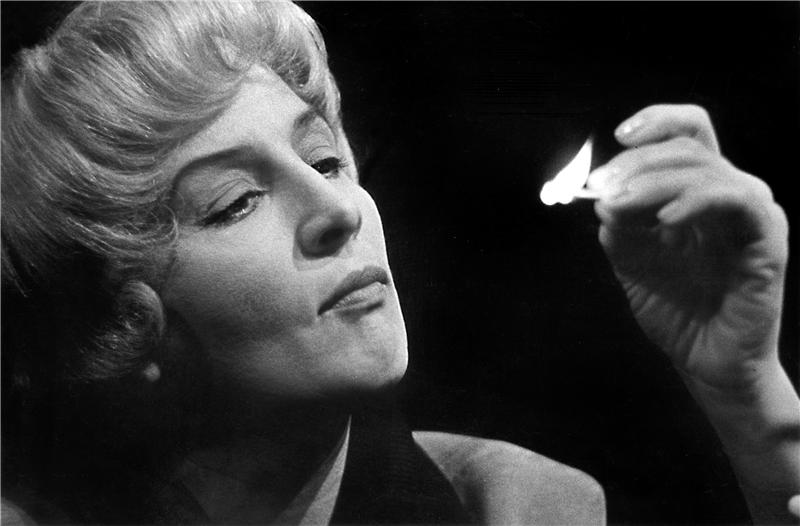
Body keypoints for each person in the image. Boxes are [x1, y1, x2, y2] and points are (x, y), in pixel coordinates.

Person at [1, 1, 798, 524]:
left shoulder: (524, 511)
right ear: (115, 325)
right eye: (235, 202)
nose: (339, 210)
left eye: (325, 159)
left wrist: (748, 394)